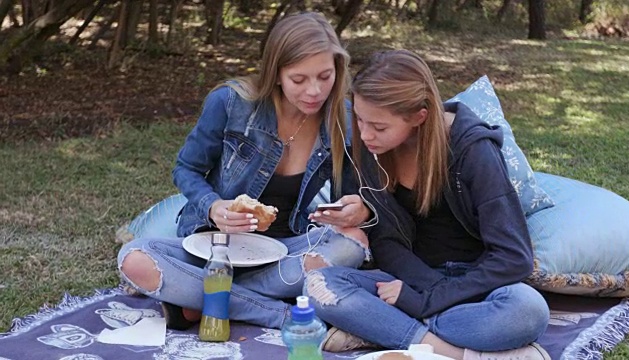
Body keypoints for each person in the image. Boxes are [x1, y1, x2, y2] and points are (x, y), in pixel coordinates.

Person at [117, 12, 371, 331]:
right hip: (214, 246)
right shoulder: (231, 103)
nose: (314, 91)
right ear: (276, 73)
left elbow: (355, 195)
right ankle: (278, 313)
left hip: (284, 249)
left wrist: (356, 209)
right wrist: (213, 205)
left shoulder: (342, 119)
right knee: (134, 256)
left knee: (353, 242)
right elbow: (186, 169)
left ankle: (206, 299)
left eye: (324, 76)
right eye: (299, 79)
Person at [304, 50, 551, 360]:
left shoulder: (473, 151)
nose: (365, 135)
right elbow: (384, 240)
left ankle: (385, 330)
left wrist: (426, 301)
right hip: (405, 280)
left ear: (419, 117)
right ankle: (459, 354)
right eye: (361, 120)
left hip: (473, 286)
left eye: (379, 127)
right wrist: (363, 214)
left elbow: (514, 257)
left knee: (527, 311)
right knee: (317, 286)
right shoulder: (369, 149)